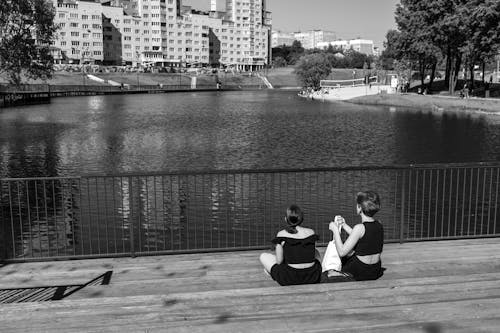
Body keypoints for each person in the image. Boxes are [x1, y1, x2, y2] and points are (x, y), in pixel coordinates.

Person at [323, 191, 384, 281]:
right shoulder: (379, 224)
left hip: (360, 272)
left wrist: (335, 230)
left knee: (337, 262)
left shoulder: (359, 228)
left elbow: (342, 252)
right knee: (351, 253)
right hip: (375, 270)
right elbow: (363, 238)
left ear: (359, 208)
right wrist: (344, 225)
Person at [259, 204, 322, 286]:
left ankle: (273, 273)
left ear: (286, 219)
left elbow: (279, 261)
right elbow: (312, 254)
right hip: (312, 276)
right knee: (316, 251)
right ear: (301, 219)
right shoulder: (311, 232)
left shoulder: (281, 234)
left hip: (290, 278)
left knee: (263, 256)